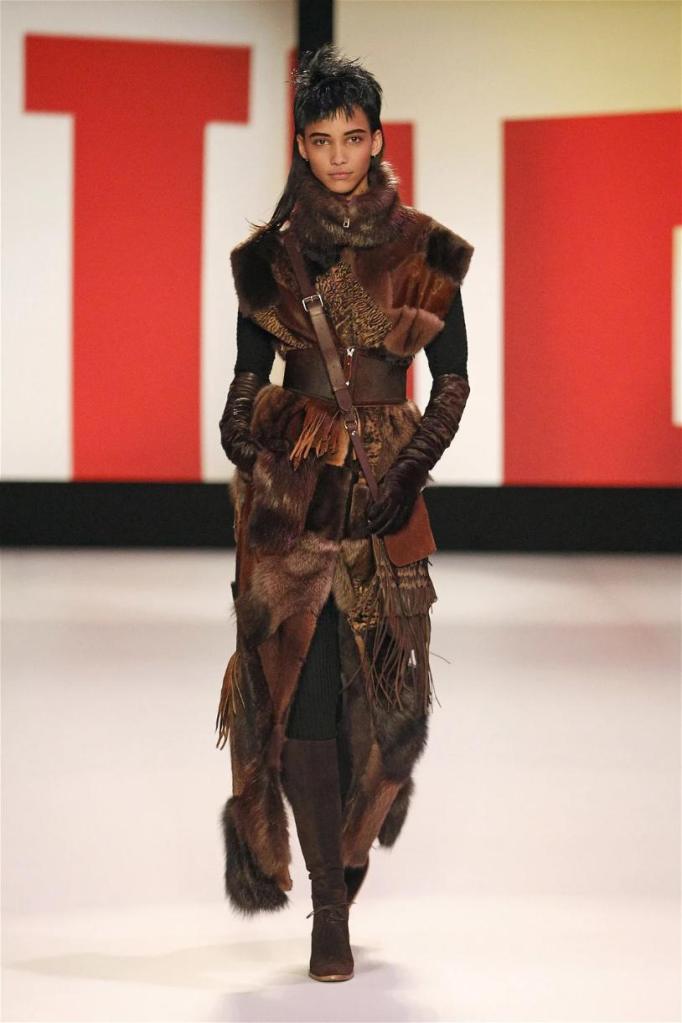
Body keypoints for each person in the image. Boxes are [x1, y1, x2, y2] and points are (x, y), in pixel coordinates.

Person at [215, 43, 473, 983]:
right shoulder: (270, 262)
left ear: (376, 139)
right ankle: (329, 902)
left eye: (351, 137)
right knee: (299, 692)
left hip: (387, 493)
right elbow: (245, 389)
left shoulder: (425, 251)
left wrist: (409, 468)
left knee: (394, 709)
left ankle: (348, 852)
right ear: (300, 143)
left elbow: (452, 380)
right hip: (293, 506)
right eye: (320, 139)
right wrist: (257, 436)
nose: (337, 155)